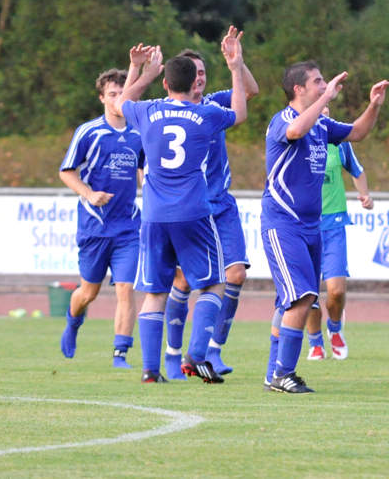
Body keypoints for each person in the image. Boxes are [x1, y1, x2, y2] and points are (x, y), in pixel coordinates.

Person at [112, 35, 246, 383]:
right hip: (193, 212)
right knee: (214, 285)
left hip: (154, 215)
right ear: (195, 83)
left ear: (166, 83)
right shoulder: (206, 114)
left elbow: (122, 103)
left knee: (155, 292)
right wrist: (235, 68)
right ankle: (197, 354)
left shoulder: (148, 111)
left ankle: (150, 370)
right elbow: (241, 113)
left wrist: (143, 72)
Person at [261, 61, 388, 393]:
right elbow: (295, 132)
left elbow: (357, 132)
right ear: (299, 89)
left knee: (296, 300)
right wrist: (325, 99)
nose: (324, 85)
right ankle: (282, 374)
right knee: (301, 298)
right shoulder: (283, 119)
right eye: (317, 81)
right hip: (283, 224)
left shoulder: (322, 124)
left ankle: (274, 374)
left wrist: (373, 106)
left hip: (311, 226)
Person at [161, 27, 260, 381]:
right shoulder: (166, 113)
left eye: (203, 71)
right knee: (185, 280)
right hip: (187, 209)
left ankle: (213, 350)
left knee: (236, 274)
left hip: (220, 206)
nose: (199, 77)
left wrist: (237, 63)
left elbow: (250, 91)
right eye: (194, 72)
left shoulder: (216, 104)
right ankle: (173, 355)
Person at [58, 48, 155, 368]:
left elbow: (144, 171)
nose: (118, 99)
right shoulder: (89, 132)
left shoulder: (139, 134)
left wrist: (151, 189)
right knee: (88, 292)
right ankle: (73, 323)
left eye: (122, 93)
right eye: (112, 94)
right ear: (102, 98)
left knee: (126, 288)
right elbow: (66, 171)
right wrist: (89, 194)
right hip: (95, 226)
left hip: (128, 227)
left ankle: (120, 353)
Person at [306, 106, 373, 361]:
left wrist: (365, 195)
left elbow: (357, 170)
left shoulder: (339, 141)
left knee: (336, 291)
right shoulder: (298, 138)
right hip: (304, 226)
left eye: (327, 108)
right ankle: (315, 342)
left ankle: (334, 329)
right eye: (319, 107)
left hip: (333, 224)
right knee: (308, 293)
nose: (323, 112)